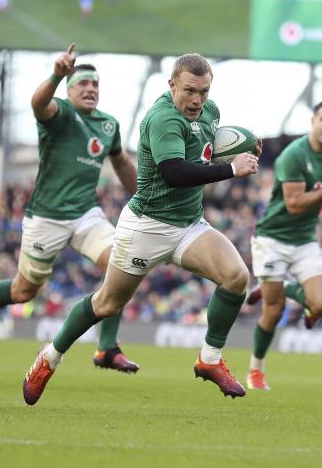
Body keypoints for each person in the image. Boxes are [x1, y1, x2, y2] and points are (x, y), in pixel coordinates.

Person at [21, 53, 261, 405]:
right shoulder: (162, 118)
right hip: (146, 227)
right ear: (172, 85)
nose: (197, 100)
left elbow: (204, 152)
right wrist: (231, 169)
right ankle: (50, 357)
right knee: (106, 304)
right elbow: (175, 173)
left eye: (204, 91)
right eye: (189, 91)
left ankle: (210, 359)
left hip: (188, 224)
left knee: (237, 277)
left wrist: (244, 149)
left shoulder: (210, 111)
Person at [0, 44, 141, 375]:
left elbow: (121, 162)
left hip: (86, 215)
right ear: (69, 88)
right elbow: (38, 103)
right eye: (83, 83)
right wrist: (55, 74)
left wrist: (145, 194)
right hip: (47, 217)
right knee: (24, 291)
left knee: (121, 264)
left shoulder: (108, 125)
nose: (91, 89)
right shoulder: (60, 113)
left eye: (95, 84)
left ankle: (107, 348)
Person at [245, 100, 322, 391]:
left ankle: (279, 287)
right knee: (274, 310)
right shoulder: (293, 155)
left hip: (304, 239)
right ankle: (256, 369)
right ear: (313, 121)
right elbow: (293, 205)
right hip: (272, 238)